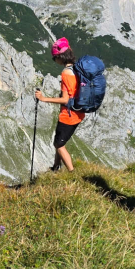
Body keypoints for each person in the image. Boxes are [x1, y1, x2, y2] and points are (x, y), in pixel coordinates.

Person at [35, 37, 84, 173]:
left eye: (54, 58)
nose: (54, 61)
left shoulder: (66, 74)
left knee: (58, 144)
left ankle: (72, 173)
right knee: (60, 141)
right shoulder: (77, 68)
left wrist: (44, 98)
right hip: (79, 112)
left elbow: (65, 100)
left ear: (60, 57)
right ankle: (56, 167)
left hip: (69, 115)